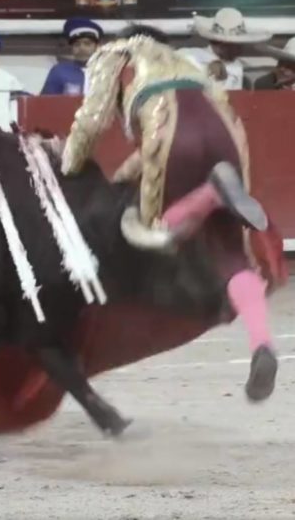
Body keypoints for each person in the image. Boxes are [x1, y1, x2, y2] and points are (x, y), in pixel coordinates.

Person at [60, 25, 279, 403]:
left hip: (168, 127)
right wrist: (123, 175)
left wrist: (69, 166)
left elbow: (92, 122)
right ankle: (262, 343)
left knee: (149, 232)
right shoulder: (186, 61)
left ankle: (210, 194)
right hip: (225, 131)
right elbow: (157, 149)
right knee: (231, 256)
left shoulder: (114, 56)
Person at [177, 8, 271, 91]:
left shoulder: (238, 66)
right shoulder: (187, 57)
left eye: (240, 43)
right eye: (235, 44)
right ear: (220, 44)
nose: (240, 48)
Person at [41, 18, 102, 95]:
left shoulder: (109, 72)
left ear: (97, 47)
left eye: (87, 44)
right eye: (77, 44)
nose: (82, 48)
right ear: (71, 48)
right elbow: (46, 103)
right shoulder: (59, 71)